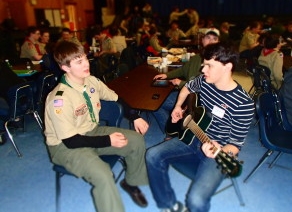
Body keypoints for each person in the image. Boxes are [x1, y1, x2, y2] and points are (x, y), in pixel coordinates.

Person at [146, 42, 254, 212]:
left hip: (216, 152)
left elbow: (235, 145)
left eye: (209, 66)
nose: (203, 70)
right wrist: (177, 107)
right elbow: (187, 88)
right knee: (152, 154)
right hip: (192, 137)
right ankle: (168, 205)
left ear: (227, 67)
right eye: (204, 65)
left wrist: (223, 151)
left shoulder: (243, 104)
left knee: (195, 201)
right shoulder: (204, 81)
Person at [44, 41, 149, 212]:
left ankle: (131, 183)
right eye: (79, 62)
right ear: (65, 67)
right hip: (65, 146)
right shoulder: (59, 99)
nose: (86, 64)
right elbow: (71, 141)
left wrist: (135, 116)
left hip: (91, 131)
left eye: (85, 58)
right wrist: (108, 140)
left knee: (136, 140)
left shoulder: (91, 81)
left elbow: (116, 98)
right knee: (103, 174)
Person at [152, 28, 220, 134]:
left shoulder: (219, 61)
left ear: (218, 42)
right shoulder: (196, 58)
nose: (210, 41)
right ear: (203, 40)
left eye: (214, 39)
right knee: (156, 102)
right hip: (187, 94)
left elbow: (211, 86)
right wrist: (166, 75)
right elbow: (182, 70)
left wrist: (182, 83)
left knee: (160, 103)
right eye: (208, 37)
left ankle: (177, 130)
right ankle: (171, 131)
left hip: (201, 101)